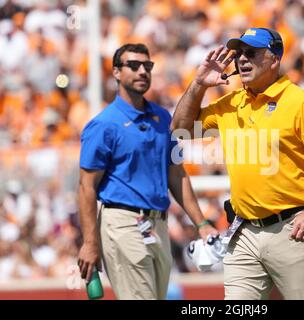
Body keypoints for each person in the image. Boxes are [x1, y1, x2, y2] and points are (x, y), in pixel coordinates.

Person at [172, 28, 304, 299]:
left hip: (293, 228)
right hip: (244, 233)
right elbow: (180, 129)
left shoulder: (303, 103)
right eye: (239, 54)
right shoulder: (231, 103)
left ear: (274, 59)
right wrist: (199, 83)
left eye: (252, 53)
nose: (242, 60)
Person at [77, 43, 217, 300]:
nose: (143, 71)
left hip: (158, 225)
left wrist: (202, 222)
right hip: (123, 223)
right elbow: (86, 187)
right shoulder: (103, 125)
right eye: (134, 65)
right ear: (117, 73)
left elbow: (176, 173)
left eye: (147, 66)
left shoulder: (162, 118)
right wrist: (89, 242)